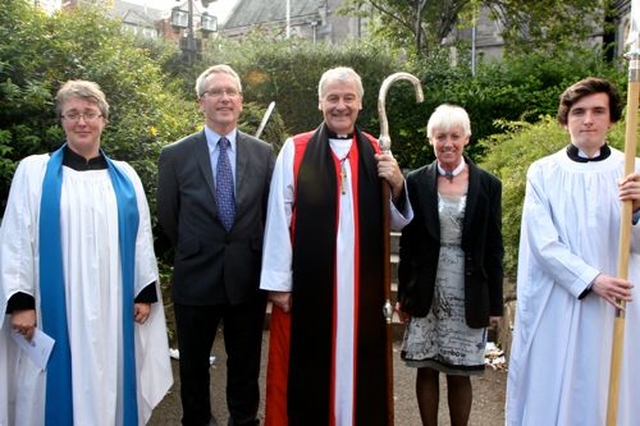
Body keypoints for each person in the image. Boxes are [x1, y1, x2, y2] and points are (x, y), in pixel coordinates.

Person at [0, 80, 172, 426]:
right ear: (61, 121)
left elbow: (140, 238)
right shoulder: (33, 172)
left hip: (113, 306)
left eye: (90, 114)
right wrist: (20, 302)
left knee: (111, 374)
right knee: (50, 383)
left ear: (103, 120)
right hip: (54, 306)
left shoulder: (124, 176)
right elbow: (16, 237)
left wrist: (142, 292)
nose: (82, 122)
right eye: (72, 114)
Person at [260, 66, 413, 425]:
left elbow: (396, 219)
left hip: (361, 286)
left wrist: (398, 184)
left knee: (360, 366)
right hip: (313, 286)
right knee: (307, 367)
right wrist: (280, 283)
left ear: (360, 103)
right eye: (333, 98)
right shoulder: (296, 150)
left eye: (348, 98)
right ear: (320, 103)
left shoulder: (376, 150)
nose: (340, 106)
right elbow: (278, 217)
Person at [506, 77, 640, 425]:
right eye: (578, 112)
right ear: (565, 120)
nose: (588, 120)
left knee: (612, 390)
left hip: (619, 307)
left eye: (598, 111)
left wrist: (638, 210)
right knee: (560, 389)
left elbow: (637, 244)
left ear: (612, 120)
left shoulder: (633, 171)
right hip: (563, 304)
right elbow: (543, 244)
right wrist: (592, 280)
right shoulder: (545, 173)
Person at [157, 64, 274, 426]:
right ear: (200, 102)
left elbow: (269, 214)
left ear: (241, 101)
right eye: (215, 92)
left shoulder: (264, 153)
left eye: (231, 92)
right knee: (193, 366)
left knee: (245, 365)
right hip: (196, 275)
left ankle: (243, 420)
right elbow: (169, 217)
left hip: (246, 277)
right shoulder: (175, 155)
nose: (224, 98)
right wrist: (198, 248)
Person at [396, 104, 503, 426]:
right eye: (440, 136)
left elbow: (494, 247)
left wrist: (494, 302)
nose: (447, 143)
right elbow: (409, 244)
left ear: (466, 138)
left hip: (469, 287)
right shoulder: (415, 182)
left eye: (454, 136)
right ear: (431, 139)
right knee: (426, 366)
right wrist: (404, 295)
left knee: (460, 371)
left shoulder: (488, 184)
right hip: (427, 285)